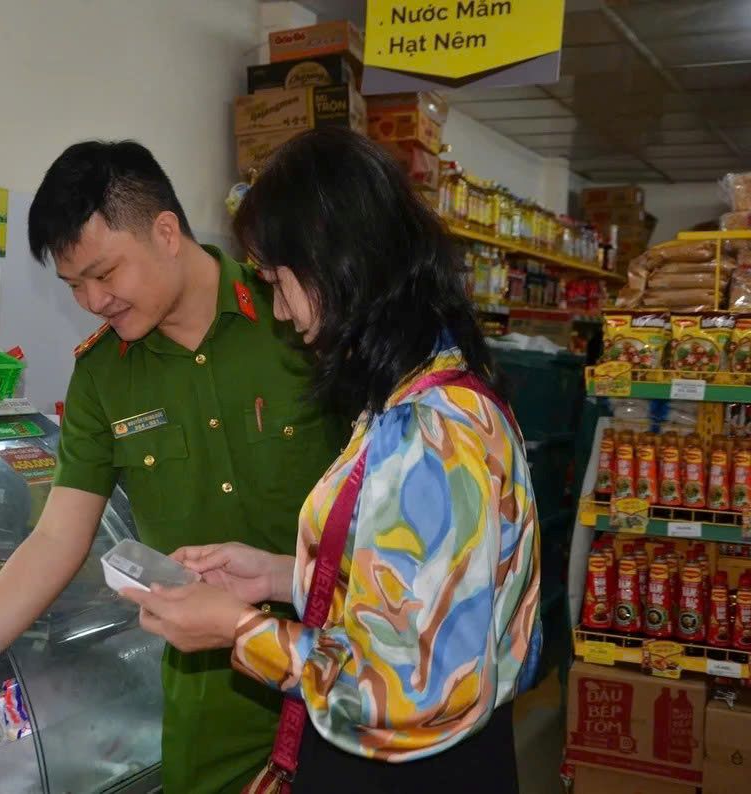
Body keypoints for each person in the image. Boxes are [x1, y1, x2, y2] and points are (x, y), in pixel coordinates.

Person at [0, 140, 346, 794]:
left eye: (105, 273)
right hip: (211, 706)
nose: (93, 300)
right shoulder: (101, 379)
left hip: (338, 684)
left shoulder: (293, 316)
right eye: (74, 286)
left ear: (166, 232)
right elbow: (56, 540)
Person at [123, 127, 541, 794]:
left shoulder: (433, 430)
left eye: (279, 283)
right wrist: (284, 578)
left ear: (336, 263)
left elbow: (402, 689)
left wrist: (239, 628)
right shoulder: (423, 391)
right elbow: (417, 590)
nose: (283, 313)